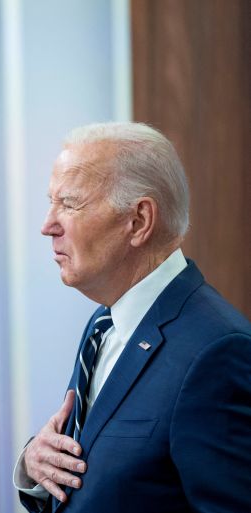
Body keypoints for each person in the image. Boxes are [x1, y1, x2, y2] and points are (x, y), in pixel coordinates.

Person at [13, 122, 251, 513]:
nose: (47, 226)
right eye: (50, 202)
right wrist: (34, 462)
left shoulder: (218, 352)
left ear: (138, 221)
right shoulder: (102, 325)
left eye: (69, 204)